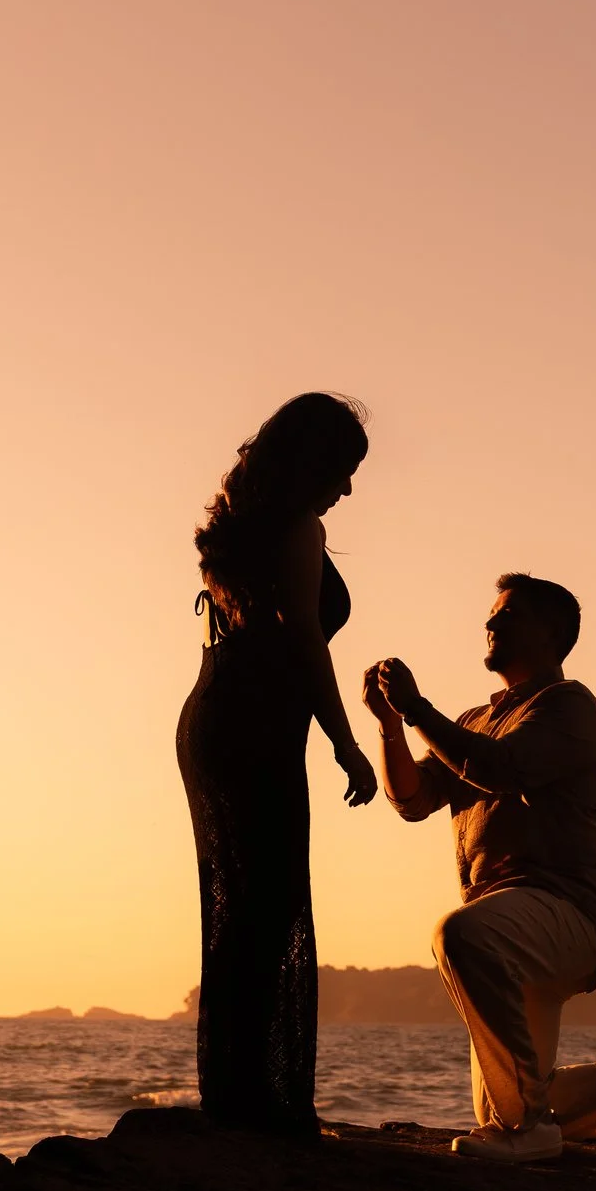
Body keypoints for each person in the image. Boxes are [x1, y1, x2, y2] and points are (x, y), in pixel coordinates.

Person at [364, 573, 596, 1162]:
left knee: (459, 935)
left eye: (508, 615)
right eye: (492, 614)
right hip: (508, 921)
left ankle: (528, 1129)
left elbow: (503, 768)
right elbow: (411, 800)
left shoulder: (569, 705)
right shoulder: (476, 719)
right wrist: (391, 725)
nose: (491, 624)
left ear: (552, 635)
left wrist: (418, 708)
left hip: (564, 910)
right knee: (513, 1097)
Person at [176, 393, 382, 1132]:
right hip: (254, 722)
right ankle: (255, 1101)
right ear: (313, 462)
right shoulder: (298, 526)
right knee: (265, 905)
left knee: (243, 907)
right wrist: (345, 739)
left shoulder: (242, 527)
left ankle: (235, 1092)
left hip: (216, 714)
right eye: (344, 469)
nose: (349, 487)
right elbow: (304, 641)